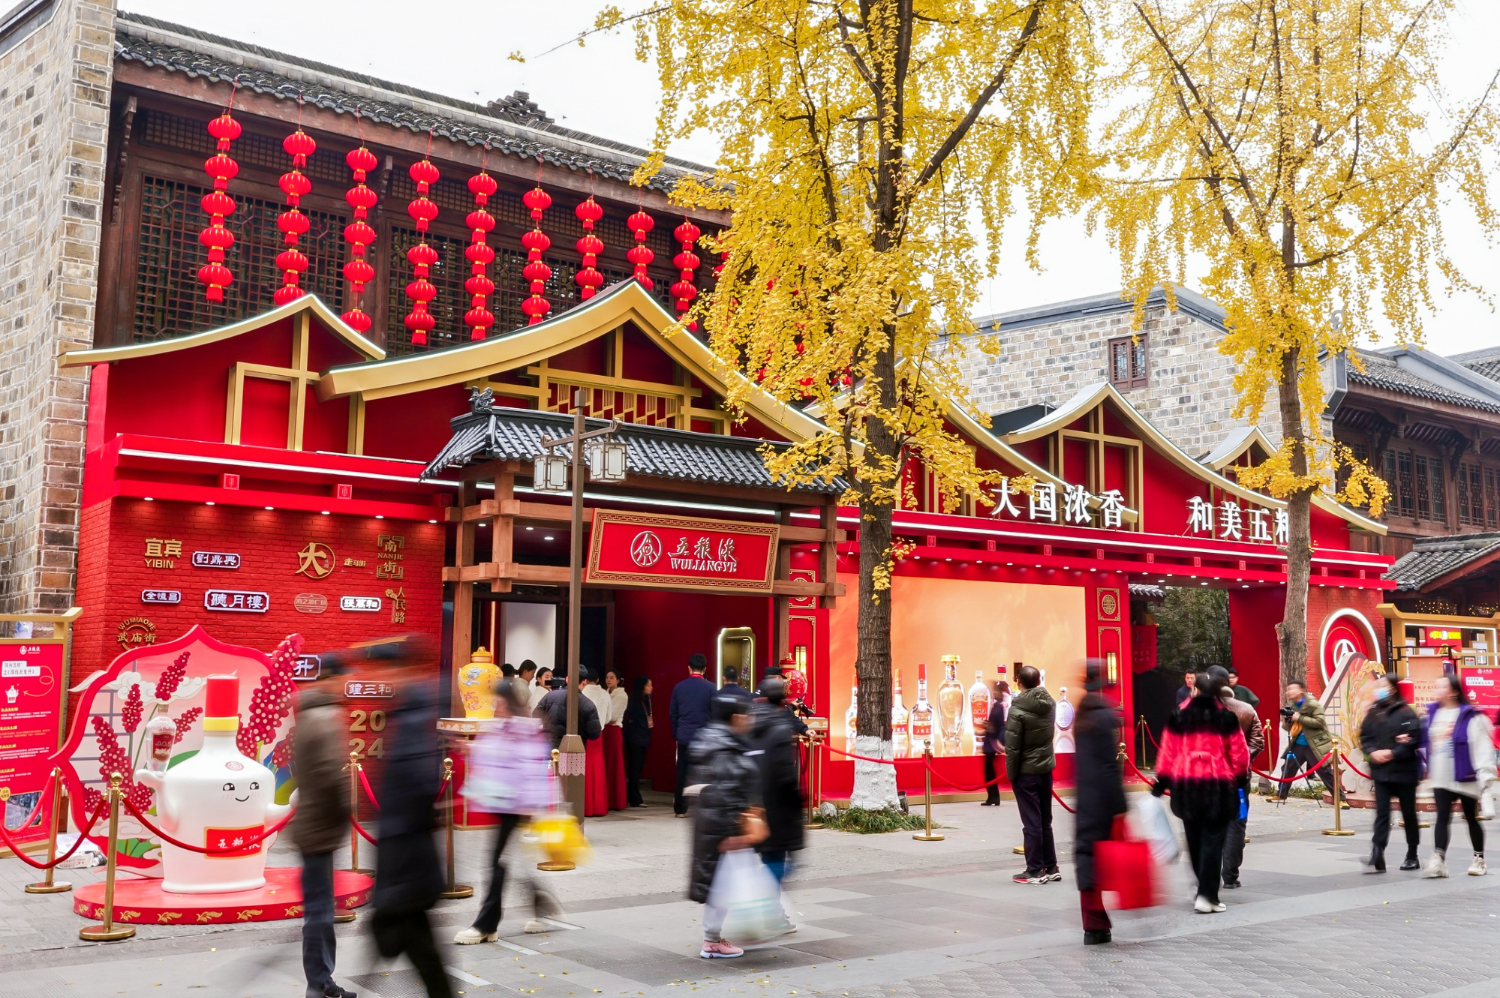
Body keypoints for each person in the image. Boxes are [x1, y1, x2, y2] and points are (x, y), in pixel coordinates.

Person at [366, 635, 451, 998]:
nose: (382, 679)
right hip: (407, 856)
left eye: (385, 670)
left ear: (402, 669)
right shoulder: (411, 708)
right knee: (421, 947)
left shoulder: (413, 713)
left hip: (406, 857)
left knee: (413, 940)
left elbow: (419, 783)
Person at [454, 679, 561, 943]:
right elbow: (493, 754)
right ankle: (540, 902)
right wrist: (470, 749)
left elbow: (530, 767)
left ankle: (486, 924)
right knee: (506, 860)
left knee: (496, 862)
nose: (496, 707)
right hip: (502, 802)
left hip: (517, 804)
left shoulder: (524, 730)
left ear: (509, 702)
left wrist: (529, 805)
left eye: (499, 703)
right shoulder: (501, 727)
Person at [1151, 670, 1249, 914]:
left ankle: (1201, 890)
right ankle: (1207, 895)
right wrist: (1239, 781)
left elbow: (1167, 751)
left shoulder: (1179, 715)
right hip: (1218, 786)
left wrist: (1160, 784)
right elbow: (1239, 754)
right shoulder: (1226, 718)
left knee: (1194, 840)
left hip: (1186, 787)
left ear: (1195, 689)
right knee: (1213, 842)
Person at [290, 652, 355, 998]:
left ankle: (321, 982)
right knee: (319, 912)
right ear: (332, 679)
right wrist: (346, 812)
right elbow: (332, 776)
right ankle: (319, 985)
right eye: (344, 679)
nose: (347, 686)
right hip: (320, 829)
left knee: (318, 908)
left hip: (310, 826)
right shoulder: (324, 719)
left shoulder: (307, 714)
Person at [688, 694, 765, 958]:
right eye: (748, 715)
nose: (751, 720)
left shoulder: (712, 739)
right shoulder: (726, 748)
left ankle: (714, 939)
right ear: (737, 717)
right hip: (724, 828)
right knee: (724, 885)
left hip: (713, 826)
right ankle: (712, 942)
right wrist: (735, 833)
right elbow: (727, 791)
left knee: (721, 883)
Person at [1072, 662, 1126, 946]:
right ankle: (1098, 923)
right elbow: (1108, 765)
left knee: (1087, 856)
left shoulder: (1081, 715)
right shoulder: (1105, 716)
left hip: (1085, 796)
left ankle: (1093, 924)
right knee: (1105, 858)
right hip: (1104, 798)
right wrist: (1120, 805)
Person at [1421, 675, 1496, 878]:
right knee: (1442, 817)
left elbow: (1481, 746)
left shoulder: (1470, 716)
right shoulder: (1433, 713)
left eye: (1442, 686)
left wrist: (1485, 776)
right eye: (1437, 685)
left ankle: (1479, 859)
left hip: (1465, 776)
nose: (1437, 689)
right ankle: (1439, 860)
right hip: (1441, 777)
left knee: (1471, 817)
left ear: (1454, 691)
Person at [750, 675, 804, 934]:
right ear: (782, 700)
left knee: (767, 857)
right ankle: (767, 911)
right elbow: (784, 773)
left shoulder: (749, 723)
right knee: (780, 862)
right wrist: (797, 801)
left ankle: (770, 912)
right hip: (777, 807)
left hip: (753, 806)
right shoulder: (779, 727)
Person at [1358, 673, 1423, 873]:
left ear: (1393, 688)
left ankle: (1412, 854)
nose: (1378, 690)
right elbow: (1365, 736)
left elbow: (1412, 739)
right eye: (1377, 686)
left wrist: (1393, 753)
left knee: (1408, 814)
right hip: (1381, 773)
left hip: (1404, 772)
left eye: (1382, 686)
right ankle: (1377, 852)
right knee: (1382, 814)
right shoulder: (1374, 711)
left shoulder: (1406, 712)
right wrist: (1372, 752)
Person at [1005, 666, 1058, 884]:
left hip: (1026, 771)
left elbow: (1012, 747)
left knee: (1031, 822)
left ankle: (1035, 870)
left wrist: (1012, 774)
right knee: (1045, 820)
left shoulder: (1017, 709)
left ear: (1019, 681)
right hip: (1045, 767)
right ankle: (1051, 866)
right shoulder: (1050, 703)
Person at [1214, 668, 1262, 889]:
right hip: (1239, 778)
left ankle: (1209, 875)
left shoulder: (1199, 711)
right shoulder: (1246, 709)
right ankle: (1231, 875)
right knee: (1237, 823)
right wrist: (1241, 760)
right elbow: (1258, 742)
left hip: (1209, 778)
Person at [671, 654, 717, 817]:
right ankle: (705, 807)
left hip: (684, 736)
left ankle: (680, 809)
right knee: (706, 773)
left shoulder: (679, 687)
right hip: (705, 738)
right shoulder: (711, 688)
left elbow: (673, 714)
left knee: (682, 773)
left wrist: (676, 733)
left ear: (689, 668)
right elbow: (715, 714)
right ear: (705, 669)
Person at [1276, 681, 1338, 803]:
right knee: (1288, 768)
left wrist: (1300, 717)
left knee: (1324, 772)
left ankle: (1340, 798)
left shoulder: (1313, 704)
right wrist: (1288, 720)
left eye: (1292, 689)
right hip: (1298, 743)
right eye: (1288, 689)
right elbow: (1287, 727)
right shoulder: (1291, 704)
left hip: (1313, 743)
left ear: (1301, 690)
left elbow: (1319, 722)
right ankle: (1281, 795)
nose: (1288, 692)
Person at [534, 670, 602, 750]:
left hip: (549, 745)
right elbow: (594, 734)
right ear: (585, 682)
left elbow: (535, 715)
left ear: (567, 679)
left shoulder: (549, 696)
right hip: (575, 749)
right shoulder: (588, 704)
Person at [580, 670, 612, 817]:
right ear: (598, 679)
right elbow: (608, 717)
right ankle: (598, 807)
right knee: (597, 769)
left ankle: (585, 807)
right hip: (598, 734)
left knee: (585, 769)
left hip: (584, 735)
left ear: (585, 680)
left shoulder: (582, 693)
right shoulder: (605, 694)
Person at [622, 675, 655, 807]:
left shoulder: (648, 699)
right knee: (635, 767)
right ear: (642, 687)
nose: (651, 688)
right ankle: (634, 797)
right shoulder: (633, 701)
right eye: (648, 685)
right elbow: (627, 716)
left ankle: (632, 795)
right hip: (635, 737)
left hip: (644, 736)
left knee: (638, 767)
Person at [604, 668, 629, 810]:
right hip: (604, 731)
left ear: (618, 680)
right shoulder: (605, 693)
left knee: (614, 764)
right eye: (607, 677)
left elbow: (613, 716)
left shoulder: (622, 695)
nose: (609, 680)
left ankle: (615, 800)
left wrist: (602, 717)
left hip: (613, 731)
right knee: (605, 764)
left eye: (612, 677)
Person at [981, 680, 1008, 806]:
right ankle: (992, 797)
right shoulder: (997, 706)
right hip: (990, 743)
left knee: (989, 772)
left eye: (996, 691)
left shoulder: (1000, 707)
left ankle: (993, 797)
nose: (994, 693)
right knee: (989, 772)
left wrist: (999, 740)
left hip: (992, 744)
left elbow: (1001, 726)